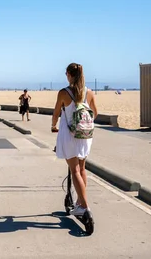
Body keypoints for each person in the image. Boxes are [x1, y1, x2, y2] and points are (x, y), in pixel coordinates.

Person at [51, 63, 98, 216]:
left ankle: (84, 206)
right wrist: (82, 124)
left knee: (74, 170)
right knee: (82, 169)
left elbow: (56, 113)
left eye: (66, 74)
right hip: (84, 136)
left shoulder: (64, 93)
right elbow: (95, 113)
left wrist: (53, 126)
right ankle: (79, 202)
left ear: (70, 75)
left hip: (69, 135)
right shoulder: (89, 92)